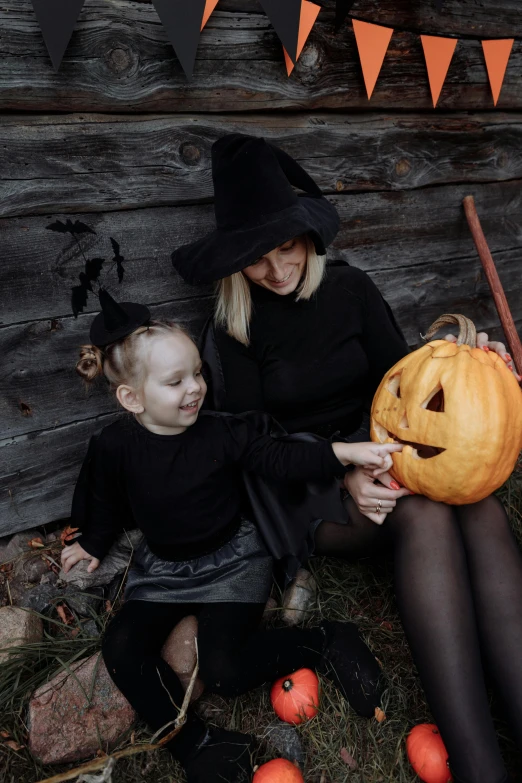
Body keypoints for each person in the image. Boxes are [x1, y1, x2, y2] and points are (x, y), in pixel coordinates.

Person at [171, 133, 522, 783]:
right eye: (256, 258)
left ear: (308, 236)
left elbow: (406, 383)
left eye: (287, 246)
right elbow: (255, 451)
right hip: (303, 490)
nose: (277, 269)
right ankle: (480, 768)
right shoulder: (233, 331)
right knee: (422, 514)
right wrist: (345, 471)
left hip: (379, 454)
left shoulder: (353, 290)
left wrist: (477, 363)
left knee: (475, 508)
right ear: (234, 265)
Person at [60, 288, 399, 783]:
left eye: (197, 373)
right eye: (175, 382)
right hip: (165, 570)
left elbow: (279, 457)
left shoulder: (221, 431)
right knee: (122, 649)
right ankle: (197, 743)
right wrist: (92, 542)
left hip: (234, 559)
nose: (195, 388)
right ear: (131, 398)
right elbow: (107, 499)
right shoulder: (115, 447)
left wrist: (343, 455)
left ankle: (325, 641)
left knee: (226, 669)